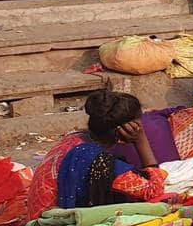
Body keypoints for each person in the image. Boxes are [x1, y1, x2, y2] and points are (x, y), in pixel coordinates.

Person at [26, 92, 167, 216]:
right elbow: (154, 191)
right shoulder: (102, 163)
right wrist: (141, 141)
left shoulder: (73, 139)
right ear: (127, 128)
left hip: (37, 213)